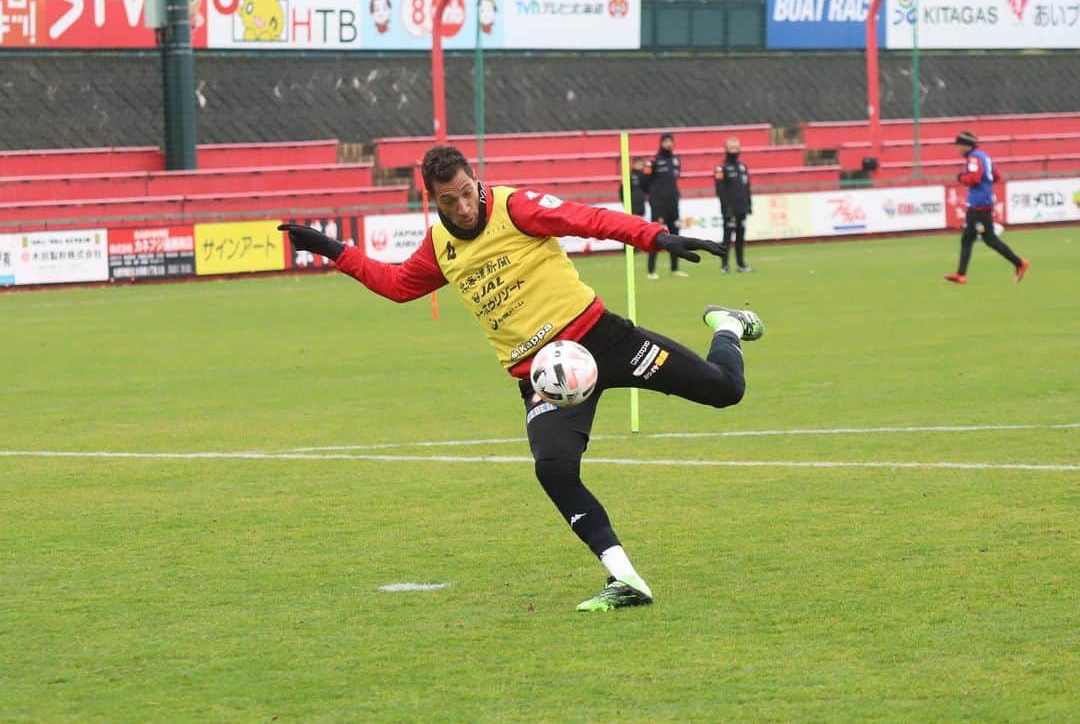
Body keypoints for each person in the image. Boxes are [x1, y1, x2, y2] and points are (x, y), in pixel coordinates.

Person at [279, 145, 764, 613]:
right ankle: (624, 577)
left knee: (726, 390)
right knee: (553, 469)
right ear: (433, 198)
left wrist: (656, 237)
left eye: (468, 192)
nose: (464, 207)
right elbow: (398, 285)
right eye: (449, 200)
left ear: (476, 181)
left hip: (602, 339)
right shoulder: (439, 246)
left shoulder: (516, 207)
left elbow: (588, 219)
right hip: (544, 376)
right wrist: (331, 249)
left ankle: (726, 326)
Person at [944, 130, 1028, 285]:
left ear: (966, 145)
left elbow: (974, 178)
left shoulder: (974, 158)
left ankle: (1019, 263)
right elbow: (996, 176)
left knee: (988, 239)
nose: (957, 149)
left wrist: (961, 178)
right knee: (968, 238)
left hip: (979, 205)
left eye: (959, 146)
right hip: (982, 203)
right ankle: (960, 274)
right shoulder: (984, 156)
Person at [644, 132, 685, 279]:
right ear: (661, 143)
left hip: (673, 204)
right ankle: (651, 271)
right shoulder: (653, 161)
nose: (668, 144)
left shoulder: (675, 160)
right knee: (656, 235)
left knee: (674, 235)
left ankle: (675, 268)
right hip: (658, 205)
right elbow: (644, 182)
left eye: (670, 141)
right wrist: (655, 198)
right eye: (666, 141)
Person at [714, 136, 753, 274]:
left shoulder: (743, 167)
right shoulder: (721, 168)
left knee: (741, 237)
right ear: (726, 149)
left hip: (741, 208)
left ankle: (741, 264)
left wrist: (749, 204)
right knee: (727, 238)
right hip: (729, 209)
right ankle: (724, 265)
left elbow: (747, 187)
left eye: (737, 147)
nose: (734, 150)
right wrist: (727, 208)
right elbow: (720, 190)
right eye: (732, 147)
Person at [618, 155, 650, 219]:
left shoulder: (643, 175)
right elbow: (622, 190)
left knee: (640, 221)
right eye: (638, 163)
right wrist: (624, 202)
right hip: (632, 204)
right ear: (634, 164)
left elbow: (647, 189)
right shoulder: (629, 175)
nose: (640, 165)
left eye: (641, 164)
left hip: (641, 204)